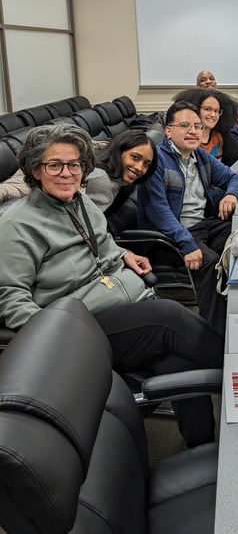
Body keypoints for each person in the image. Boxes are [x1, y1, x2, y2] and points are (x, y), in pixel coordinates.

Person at [0, 122, 223, 448]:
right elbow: (10, 297)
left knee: (181, 365)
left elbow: (100, 246)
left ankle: (204, 452)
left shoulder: (82, 203)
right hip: (79, 329)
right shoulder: (15, 225)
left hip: (122, 305)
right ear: (35, 169)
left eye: (74, 164)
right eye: (54, 165)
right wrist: (56, 340)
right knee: (168, 316)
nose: (67, 173)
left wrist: (124, 253)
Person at [137, 101, 238, 331]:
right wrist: (186, 243)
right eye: (185, 125)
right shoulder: (157, 161)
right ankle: (215, 333)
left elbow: (234, 179)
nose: (193, 131)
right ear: (168, 131)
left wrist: (231, 196)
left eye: (197, 126)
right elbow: (160, 212)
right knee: (210, 263)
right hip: (173, 233)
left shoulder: (200, 156)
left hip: (203, 224)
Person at [85, 130, 158, 213]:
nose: (139, 168)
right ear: (119, 151)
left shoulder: (118, 180)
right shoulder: (101, 179)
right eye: (135, 157)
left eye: (146, 164)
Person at [173, 86, 238, 166]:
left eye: (217, 111)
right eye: (207, 109)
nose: (213, 115)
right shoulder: (186, 138)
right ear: (194, 109)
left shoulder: (219, 135)